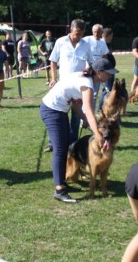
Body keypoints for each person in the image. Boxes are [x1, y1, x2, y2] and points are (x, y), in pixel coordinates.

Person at [40, 58, 118, 203]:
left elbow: (76, 105)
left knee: (64, 146)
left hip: (60, 111)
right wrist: (97, 134)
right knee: (60, 149)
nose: (109, 76)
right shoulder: (87, 84)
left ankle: (62, 183)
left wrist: (86, 121)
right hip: (51, 110)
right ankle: (59, 190)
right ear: (99, 72)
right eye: (108, 73)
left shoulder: (84, 77)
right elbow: (88, 110)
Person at [46, 18, 94, 152]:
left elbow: (91, 63)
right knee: (58, 115)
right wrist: (53, 79)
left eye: (81, 33)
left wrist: (89, 69)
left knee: (76, 115)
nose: (78, 36)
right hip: (62, 86)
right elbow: (53, 61)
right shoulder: (60, 42)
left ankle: (72, 143)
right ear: (70, 30)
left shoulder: (85, 44)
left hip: (78, 86)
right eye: (76, 33)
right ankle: (53, 142)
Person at [84, 24, 109, 106]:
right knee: (84, 93)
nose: (96, 34)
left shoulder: (103, 42)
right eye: (95, 32)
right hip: (87, 69)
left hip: (98, 71)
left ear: (102, 32)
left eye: (98, 32)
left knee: (94, 94)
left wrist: (104, 68)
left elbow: (105, 56)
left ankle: (91, 114)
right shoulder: (86, 40)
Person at [98, 28, 116, 113]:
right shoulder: (103, 44)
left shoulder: (107, 44)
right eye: (111, 36)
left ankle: (103, 109)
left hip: (110, 70)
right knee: (106, 90)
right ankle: (100, 110)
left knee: (107, 90)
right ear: (108, 35)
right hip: (106, 71)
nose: (112, 37)